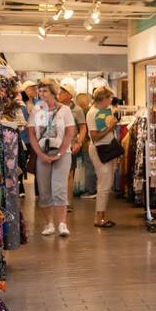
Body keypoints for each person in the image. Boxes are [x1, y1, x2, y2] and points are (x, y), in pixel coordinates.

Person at [27, 78, 76, 237]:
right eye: (40, 91)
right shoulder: (36, 109)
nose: (41, 94)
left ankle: (62, 223)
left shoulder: (65, 110)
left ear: (54, 92)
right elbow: (32, 134)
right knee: (44, 189)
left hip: (62, 154)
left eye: (45, 90)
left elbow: (70, 132)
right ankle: (49, 224)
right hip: (43, 154)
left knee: (59, 188)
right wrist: (40, 154)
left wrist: (61, 152)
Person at [85, 86, 120, 228]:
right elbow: (95, 136)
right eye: (109, 98)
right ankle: (99, 217)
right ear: (103, 98)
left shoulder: (105, 110)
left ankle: (102, 215)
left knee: (107, 182)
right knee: (104, 182)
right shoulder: (92, 113)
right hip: (100, 149)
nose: (111, 100)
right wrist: (110, 128)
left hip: (108, 148)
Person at [60, 85, 87, 218]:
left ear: (70, 95)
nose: (60, 93)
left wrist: (79, 142)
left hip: (70, 146)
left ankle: (67, 202)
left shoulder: (77, 110)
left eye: (64, 92)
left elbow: (83, 128)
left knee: (69, 174)